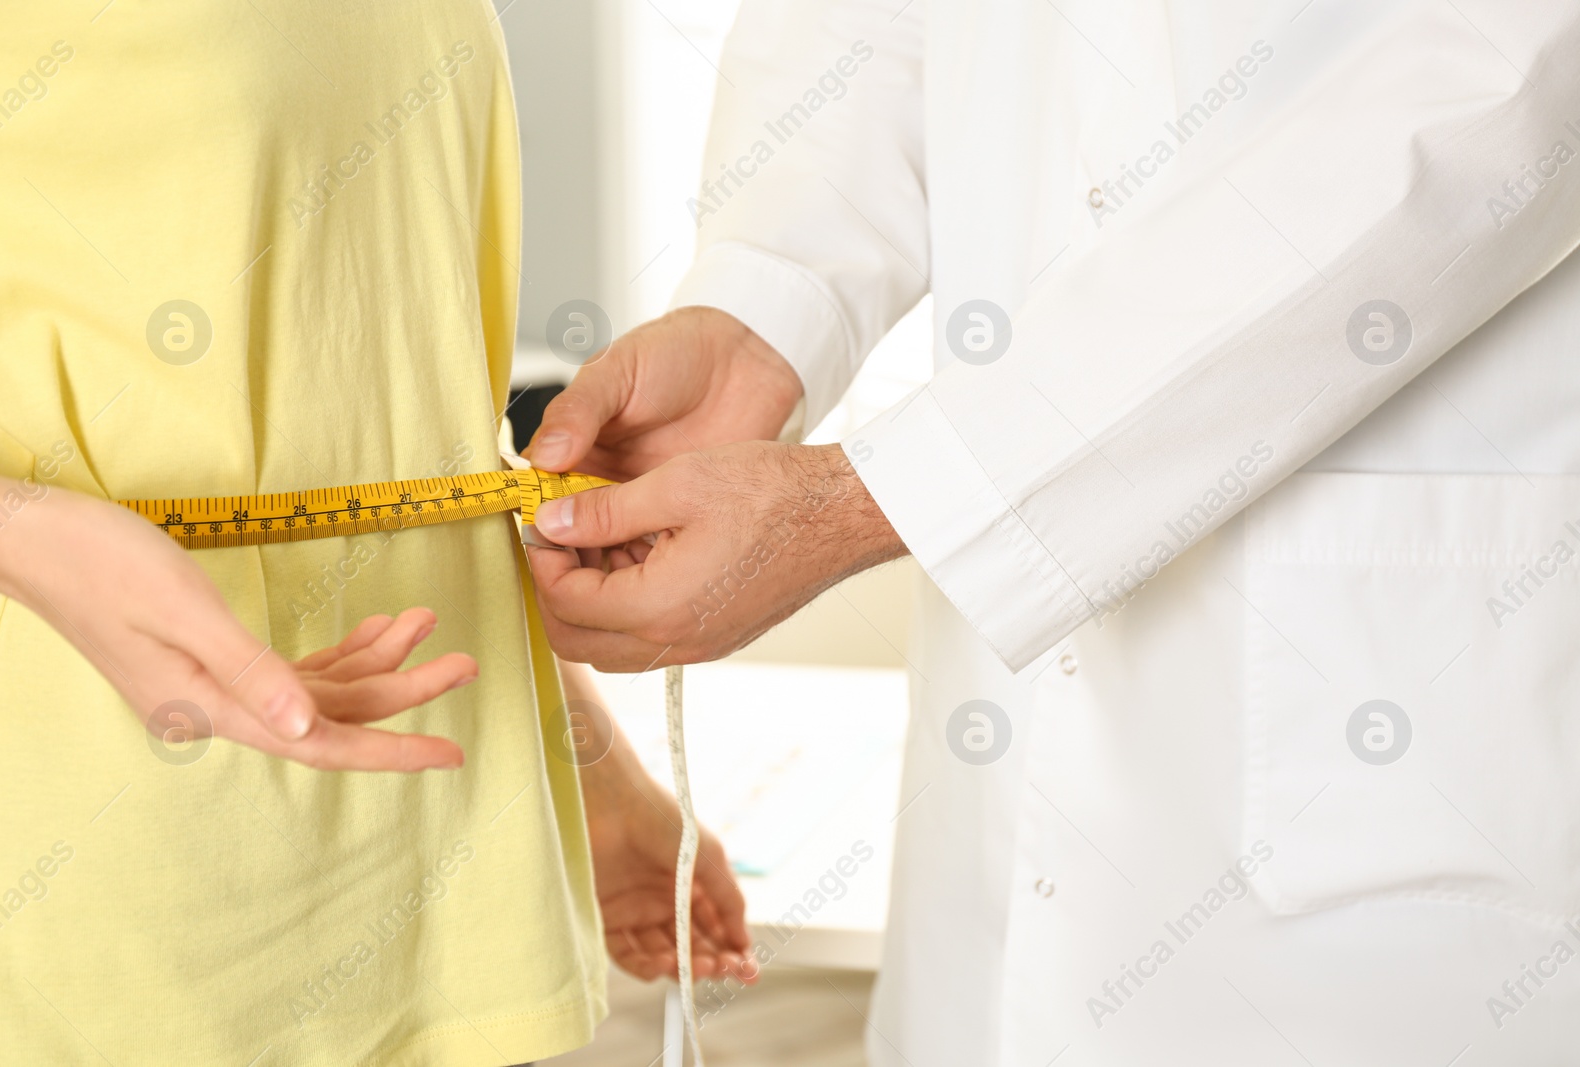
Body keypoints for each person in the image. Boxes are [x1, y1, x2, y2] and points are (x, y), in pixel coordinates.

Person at [523, 1, 1580, 1062]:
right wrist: (766, 307)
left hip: (1386, 774)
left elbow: (1500, 82)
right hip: (980, 851)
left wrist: (898, 491)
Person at [0, 6, 750, 1065]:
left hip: (450, 854)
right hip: (119, 875)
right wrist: (11, 531)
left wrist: (590, 760)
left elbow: (385, 398)